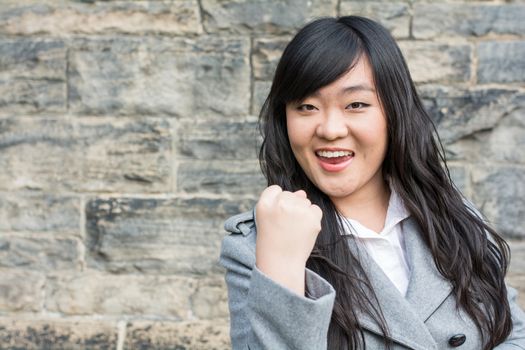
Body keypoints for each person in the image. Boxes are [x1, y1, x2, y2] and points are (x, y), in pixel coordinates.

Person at [219, 16, 525, 350]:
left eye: (356, 105)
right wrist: (282, 265)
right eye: (306, 106)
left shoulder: (452, 215)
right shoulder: (254, 246)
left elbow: (512, 334)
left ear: (394, 113)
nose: (330, 129)